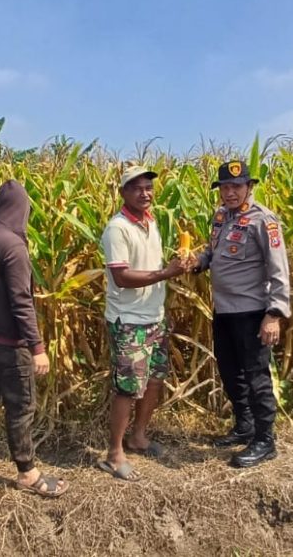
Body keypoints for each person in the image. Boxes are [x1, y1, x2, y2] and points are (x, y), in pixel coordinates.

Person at [0, 180, 68, 498]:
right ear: (21, 210)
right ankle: (27, 473)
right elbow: (22, 301)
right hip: (8, 343)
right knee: (21, 405)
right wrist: (37, 347)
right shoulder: (13, 246)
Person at [192, 160, 291, 468]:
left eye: (236, 186)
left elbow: (279, 269)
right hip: (223, 310)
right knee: (230, 371)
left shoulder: (264, 220)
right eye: (225, 187)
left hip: (252, 312)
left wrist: (274, 314)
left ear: (249, 187)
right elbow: (213, 252)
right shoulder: (221, 216)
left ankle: (265, 440)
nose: (230, 192)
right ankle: (244, 426)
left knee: (256, 376)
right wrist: (198, 262)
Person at [97, 165, 191, 481]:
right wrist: (167, 273)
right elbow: (121, 277)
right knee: (127, 388)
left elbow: (151, 266)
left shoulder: (151, 222)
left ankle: (138, 437)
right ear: (123, 192)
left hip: (154, 317)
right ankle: (114, 454)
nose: (144, 193)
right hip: (129, 321)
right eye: (136, 188)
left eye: (148, 187)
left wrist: (180, 266)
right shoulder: (118, 228)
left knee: (154, 380)